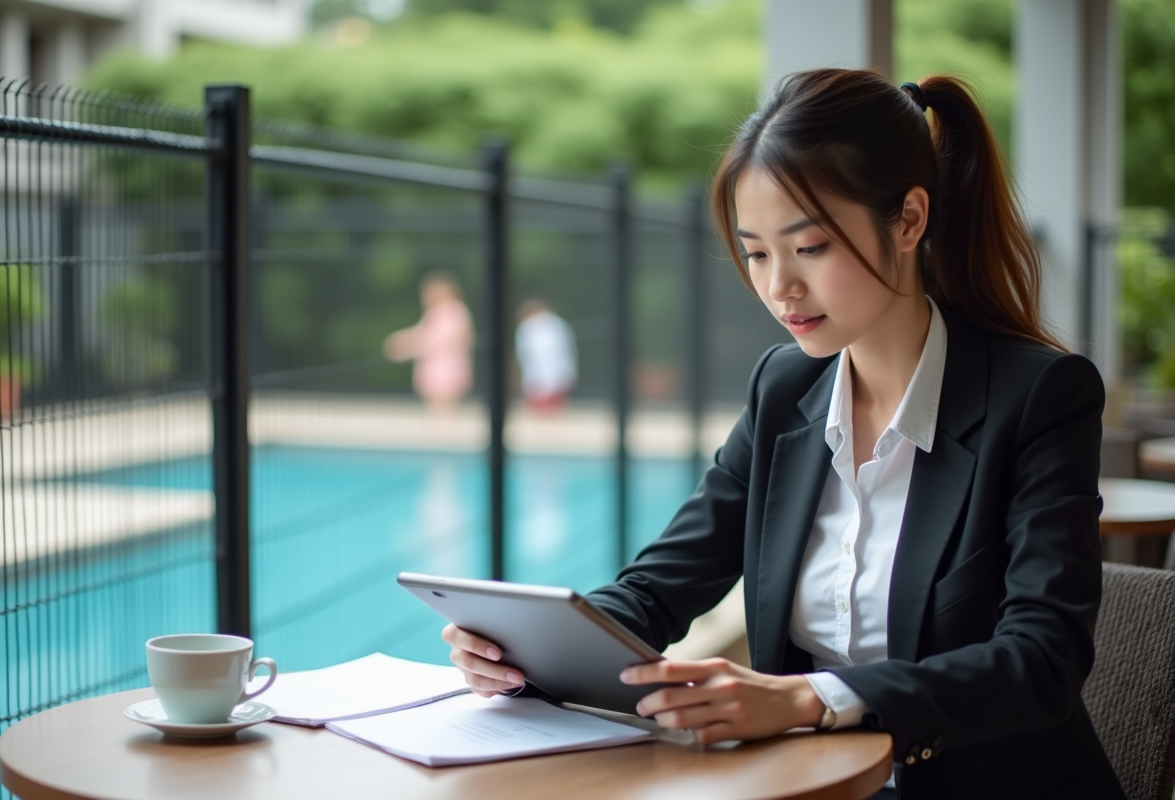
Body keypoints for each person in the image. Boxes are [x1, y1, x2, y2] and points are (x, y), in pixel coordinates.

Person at [442, 69, 1124, 799]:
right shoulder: (786, 388)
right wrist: (527, 652)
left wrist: (808, 698)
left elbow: (1041, 660)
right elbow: (660, 587)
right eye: (759, 252)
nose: (779, 288)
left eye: (811, 248)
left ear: (909, 219)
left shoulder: (1039, 396)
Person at [383, 272, 473, 414]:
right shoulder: (435, 313)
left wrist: (407, 345)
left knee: (444, 408)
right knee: (437, 408)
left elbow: (437, 338)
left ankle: (443, 433)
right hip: (435, 368)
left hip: (446, 368)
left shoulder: (455, 311)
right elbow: (423, 334)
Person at [514, 299, 578, 412]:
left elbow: (524, 355)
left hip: (540, 381)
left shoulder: (527, 327)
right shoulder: (559, 324)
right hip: (554, 378)